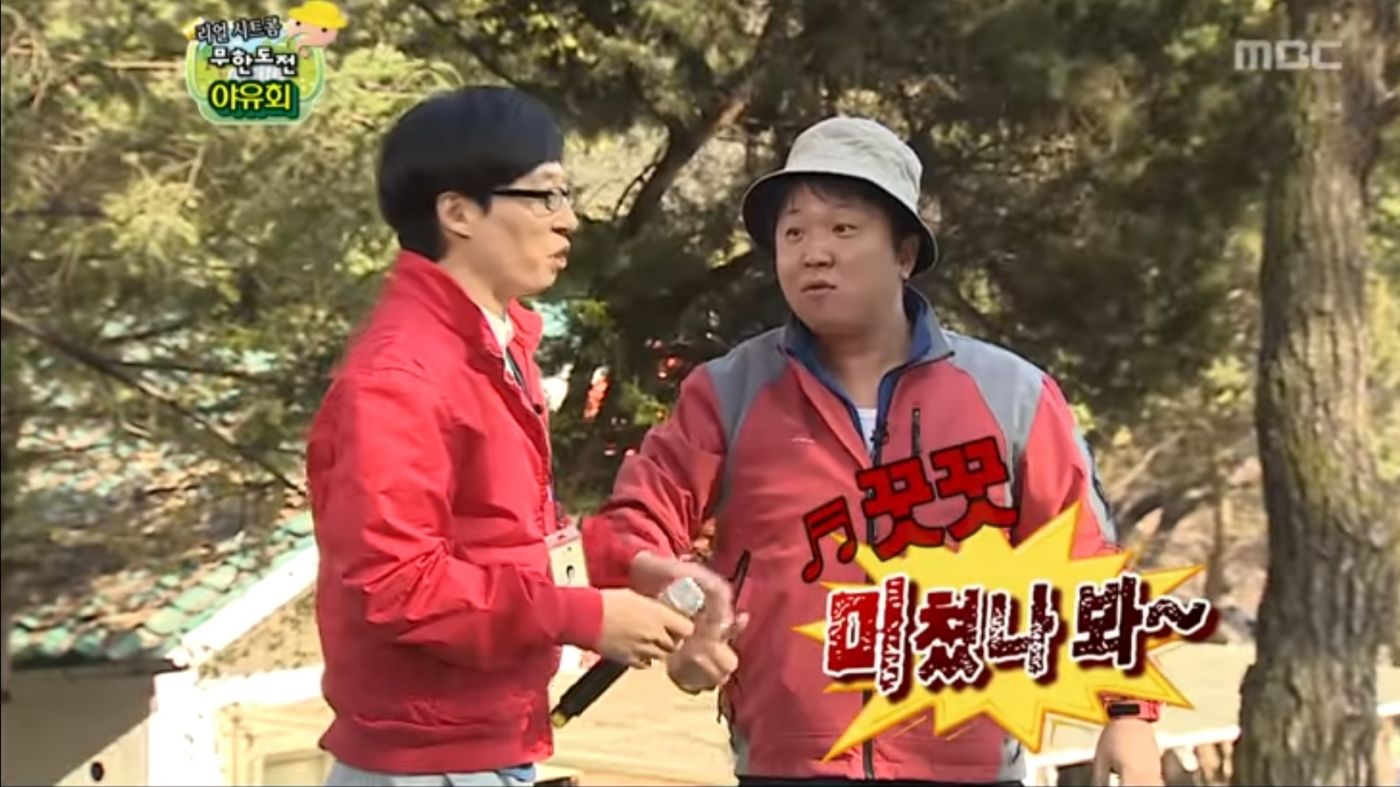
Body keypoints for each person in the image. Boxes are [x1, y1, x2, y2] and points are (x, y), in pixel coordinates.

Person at [581, 116, 1165, 786]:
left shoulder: (1012, 395)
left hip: (969, 763)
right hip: (788, 763)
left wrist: (1128, 714)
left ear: (905, 253)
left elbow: (1087, 560)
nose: (814, 252)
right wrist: (685, 615)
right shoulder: (727, 392)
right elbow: (631, 529)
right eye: (793, 232)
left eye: (843, 229)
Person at [306, 86, 695, 787]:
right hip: (428, 764)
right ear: (458, 212)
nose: (568, 218)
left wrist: (629, 564)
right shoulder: (401, 374)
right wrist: (583, 615)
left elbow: (506, 543)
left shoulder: (497, 345)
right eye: (544, 196)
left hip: (481, 744)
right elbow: (396, 585)